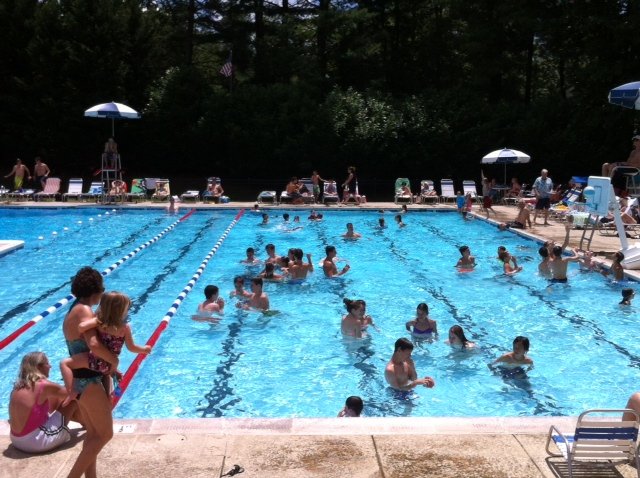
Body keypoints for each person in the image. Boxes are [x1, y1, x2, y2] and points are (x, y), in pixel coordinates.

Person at [62, 266, 115, 478]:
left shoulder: (74, 308)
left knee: (93, 434)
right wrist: (114, 361)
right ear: (96, 290)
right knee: (104, 434)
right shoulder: (83, 310)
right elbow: (94, 344)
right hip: (89, 379)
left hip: (82, 378)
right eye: (102, 289)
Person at [60, 292, 151, 397]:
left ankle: (71, 391)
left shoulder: (100, 323)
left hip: (94, 361)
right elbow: (132, 348)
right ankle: (108, 395)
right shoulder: (125, 328)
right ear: (122, 311)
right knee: (106, 375)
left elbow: (81, 327)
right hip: (108, 365)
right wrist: (144, 349)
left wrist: (94, 322)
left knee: (65, 363)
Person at [9, 352, 79, 453]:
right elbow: (74, 393)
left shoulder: (17, 387)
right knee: (73, 401)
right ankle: (92, 428)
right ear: (39, 367)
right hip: (35, 443)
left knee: (55, 398)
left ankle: (85, 424)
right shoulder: (43, 385)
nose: (50, 366)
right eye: (47, 363)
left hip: (16, 440)